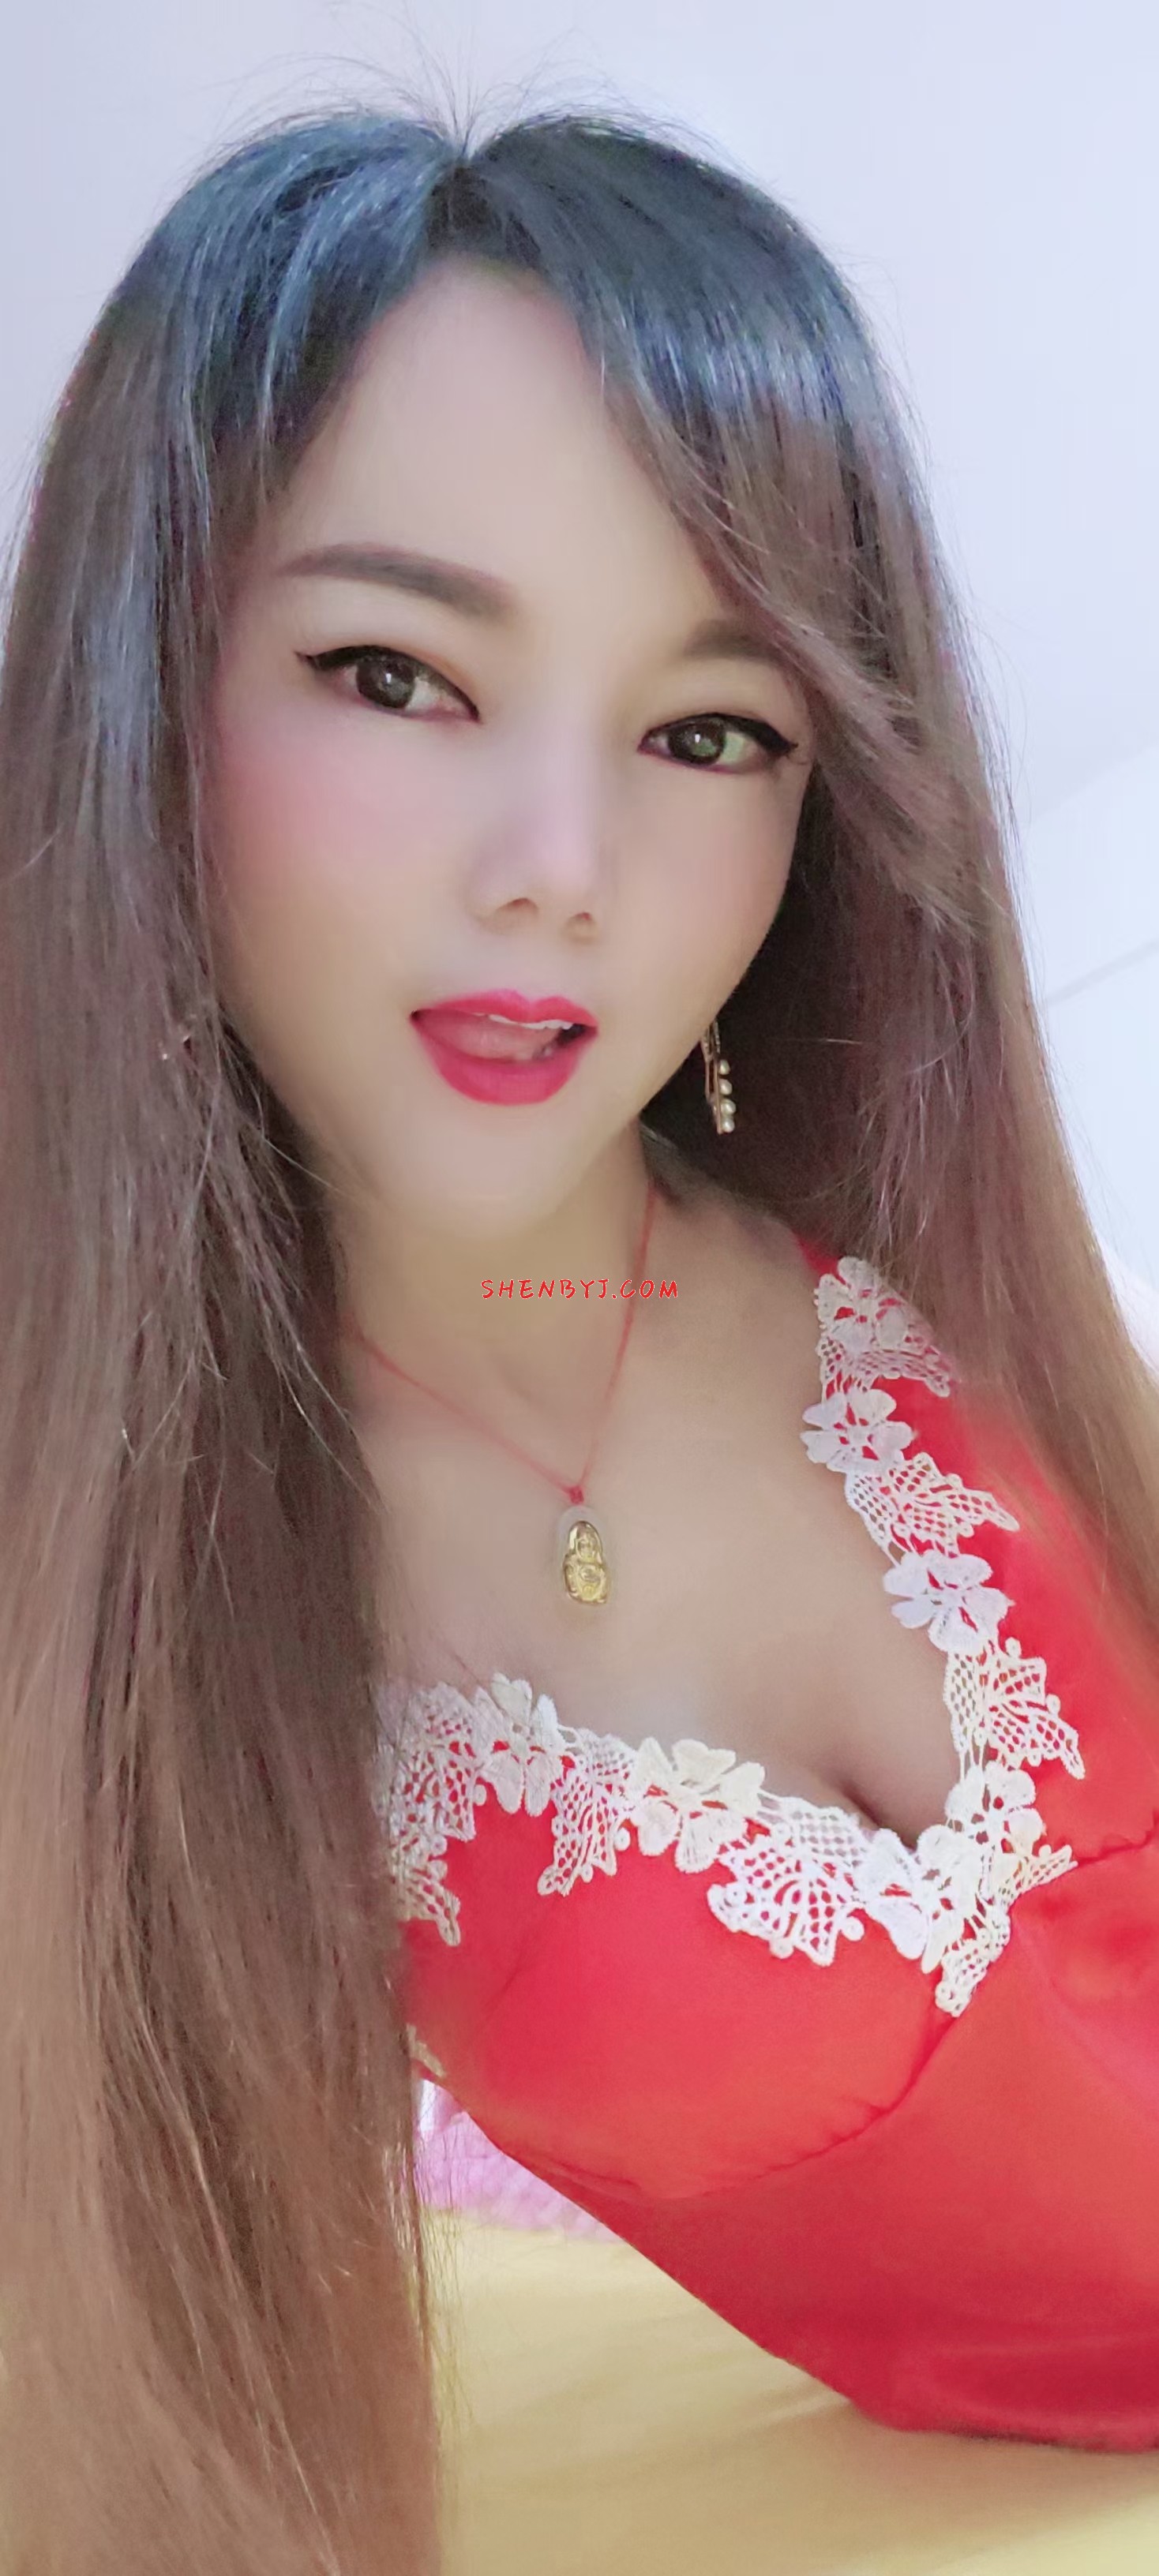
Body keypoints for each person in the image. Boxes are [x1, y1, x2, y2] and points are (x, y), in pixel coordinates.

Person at [1, 88, 1157, 2576]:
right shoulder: (127, 1635)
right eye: (394, 675)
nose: (561, 870)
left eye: (709, 731)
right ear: (139, 697)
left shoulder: (961, 1268)